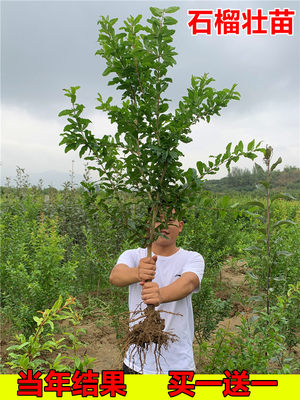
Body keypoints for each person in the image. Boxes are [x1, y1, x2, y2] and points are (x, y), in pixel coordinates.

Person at [109, 210, 205, 374]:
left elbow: (189, 282)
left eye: (170, 220)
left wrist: (160, 295)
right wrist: (138, 272)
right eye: (158, 220)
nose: (164, 225)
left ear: (180, 226)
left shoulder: (192, 258)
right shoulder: (133, 255)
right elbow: (116, 275)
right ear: (149, 225)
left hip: (179, 364)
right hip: (136, 362)